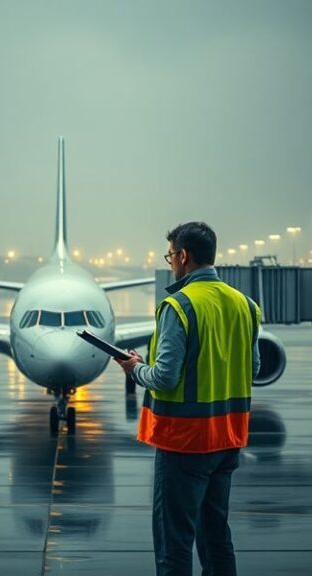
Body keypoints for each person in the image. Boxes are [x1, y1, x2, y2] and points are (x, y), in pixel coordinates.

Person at [115, 222, 261, 576]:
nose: (170, 264)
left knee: (174, 544)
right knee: (216, 539)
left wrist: (135, 369)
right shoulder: (245, 305)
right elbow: (253, 367)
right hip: (228, 438)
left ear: (183, 256)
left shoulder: (178, 306)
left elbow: (164, 377)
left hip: (185, 442)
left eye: (170, 256)